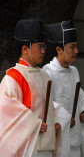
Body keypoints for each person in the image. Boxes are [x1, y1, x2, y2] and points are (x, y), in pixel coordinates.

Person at [0, 19, 61, 157]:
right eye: (40, 46)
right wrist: (34, 123)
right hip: (28, 146)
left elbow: (50, 107)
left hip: (47, 141)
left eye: (44, 47)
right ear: (25, 49)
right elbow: (5, 112)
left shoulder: (45, 76)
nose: (44, 51)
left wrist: (55, 121)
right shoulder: (13, 77)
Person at [43, 20, 84, 157]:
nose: (76, 51)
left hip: (74, 133)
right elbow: (46, 103)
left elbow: (80, 96)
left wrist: (83, 110)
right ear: (59, 49)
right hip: (58, 134)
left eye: (76, 47)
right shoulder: (49, 71)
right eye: (72, 47)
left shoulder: (74, 71)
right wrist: (62, 118)